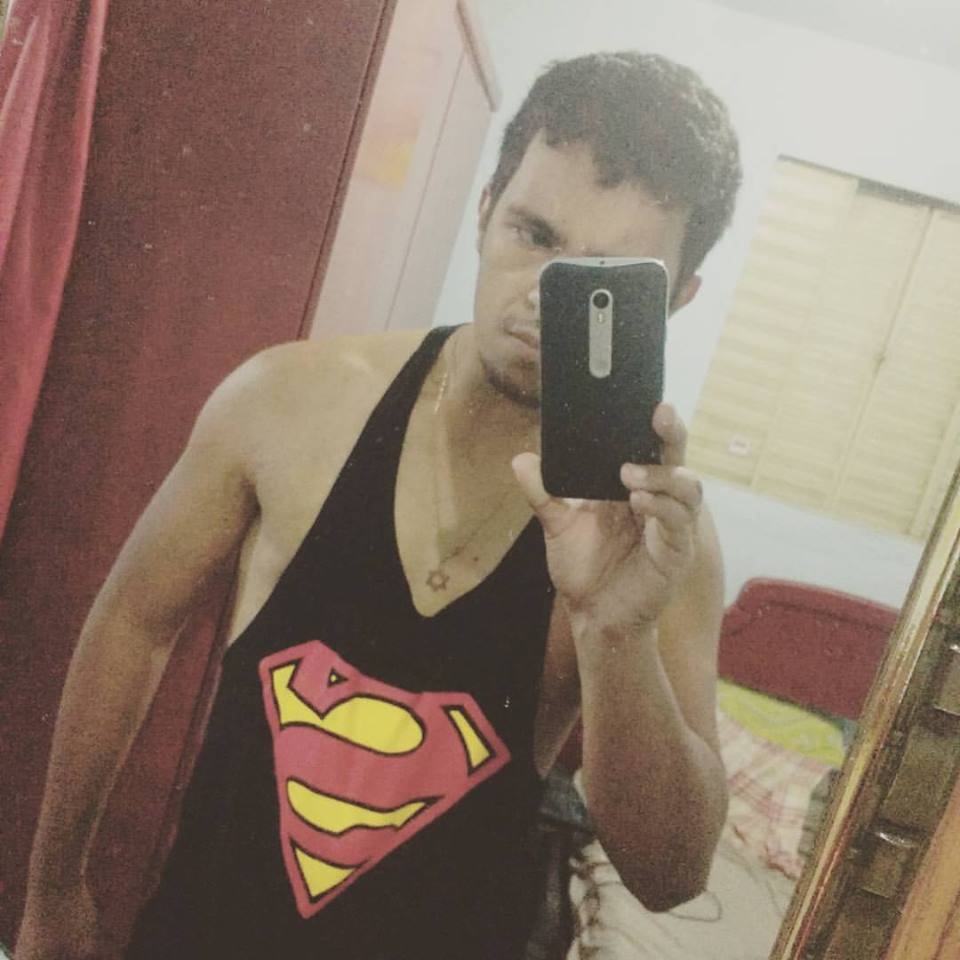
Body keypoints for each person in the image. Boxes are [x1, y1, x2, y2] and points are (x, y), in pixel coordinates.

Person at [16, 51, 742, 959]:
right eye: (532, 233)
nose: (542, 294)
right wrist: (52, 890)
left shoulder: (659, 537)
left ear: (673, 300)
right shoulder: (285, 401)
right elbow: (134, 621)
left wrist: (614, 632)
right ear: (485, 210)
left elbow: (670, 874)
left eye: (603, 278)